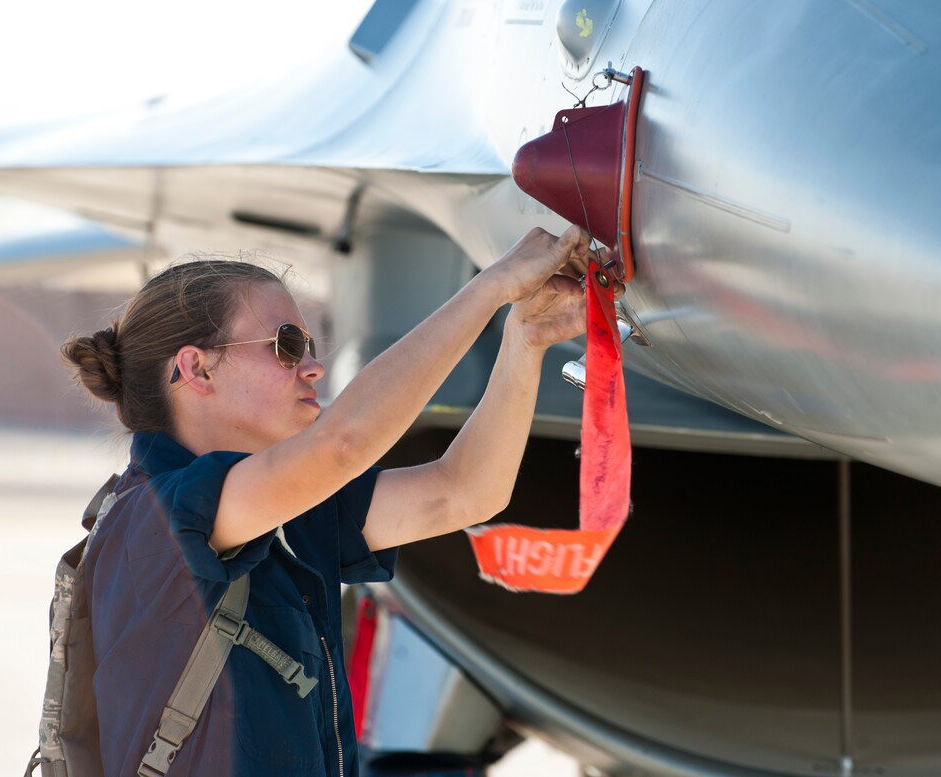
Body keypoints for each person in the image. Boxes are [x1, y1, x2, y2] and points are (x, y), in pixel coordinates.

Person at [61, 226, 613, 777]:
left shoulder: (279, 512)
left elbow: (464, 492)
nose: (312, 366)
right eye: (286, 346)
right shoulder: (153, 519)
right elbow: (342, 445)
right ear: (196, 369)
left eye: (309, 344)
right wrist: (491, 287)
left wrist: (524, 339)